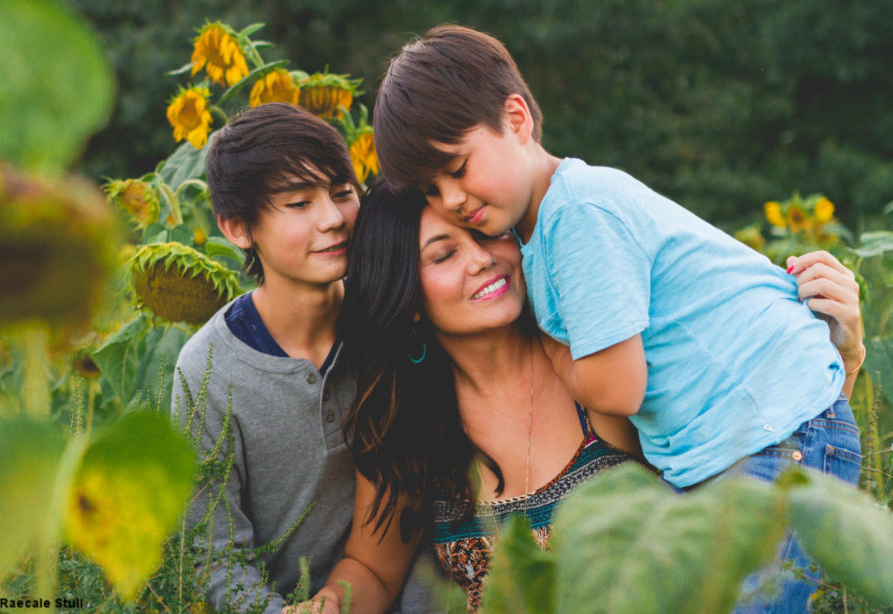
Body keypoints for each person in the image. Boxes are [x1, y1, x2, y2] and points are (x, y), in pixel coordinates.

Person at [370, 25, 865, 613]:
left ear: (518, 119)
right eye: (434, 186)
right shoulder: (539, 240)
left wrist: (559, 355)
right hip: (743, 446)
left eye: (458, 167)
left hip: (778, 439)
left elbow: (617, 386)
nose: (451, 197)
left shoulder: (579, 213)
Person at [288, 182, 865, 613]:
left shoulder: (602, 367)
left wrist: (845, 356)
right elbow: (372, 570)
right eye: (443, 255)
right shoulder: (408, 426)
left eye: (486, 235)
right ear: (406, 297)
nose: (482, 258)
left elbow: (764, 457)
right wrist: (328, 603)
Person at [171, 104, 430, 614]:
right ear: (237, 228)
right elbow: (212, 556)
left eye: (341, 193)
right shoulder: (206, 372)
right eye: (299, 203)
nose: (333, 219)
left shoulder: (396, 321)